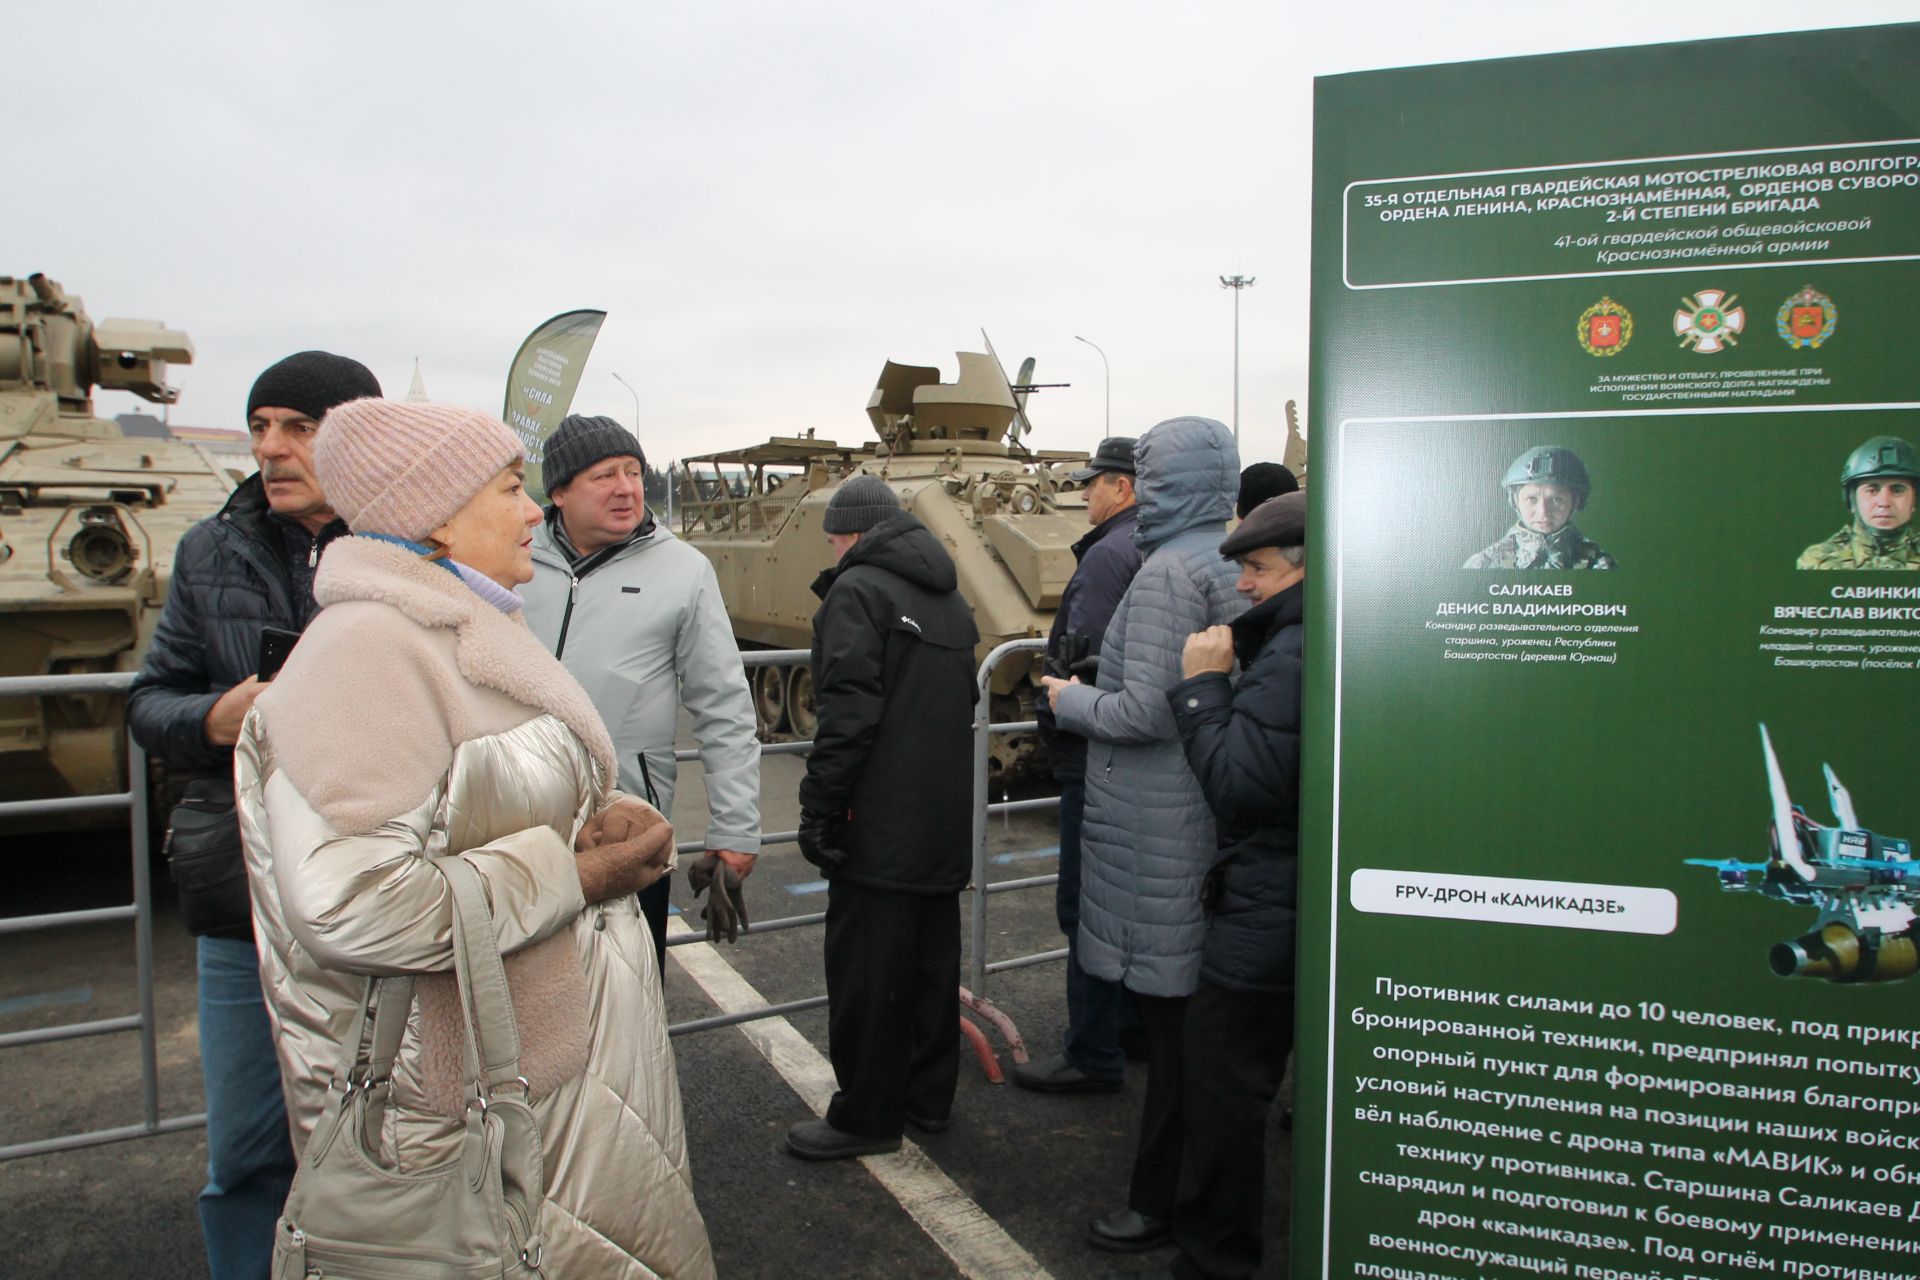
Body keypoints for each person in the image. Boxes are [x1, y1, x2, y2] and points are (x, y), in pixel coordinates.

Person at [233, 398, 714, 1277]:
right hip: (471, 1105)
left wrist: (596, 813)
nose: (533, 509)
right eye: (508, 489)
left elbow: (475, 803)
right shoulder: (369, 650)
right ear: (437, 517)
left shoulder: (458, 625)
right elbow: (349, 903)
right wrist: (575, 872)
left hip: (542, 1070)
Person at [127, 349, 379, 1280]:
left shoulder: (412, 544)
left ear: (352, 435)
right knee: (246, 1154)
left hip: (380, 896)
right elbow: (150, 702)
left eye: (298, 427)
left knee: (389, 1140)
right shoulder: (208, 550)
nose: (271, 449)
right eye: (260, 426)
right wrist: (210, 718)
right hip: (244, 902)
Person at [1041, 416, 1246, 1254]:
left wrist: (1066, 698)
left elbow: (1148, 712)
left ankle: (1162, 1202)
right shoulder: (1226, 555)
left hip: (1160, 826)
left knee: (1173, 1040)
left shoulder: (1167, 571)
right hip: (1203, 813)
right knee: (1190, 1034)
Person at [1116, 492, 1306, 1280]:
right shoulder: (1299, 641)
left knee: (1222, 1085)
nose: (1247, 589)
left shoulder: (1293, 652)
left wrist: (1202, 687)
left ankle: (1212, 1258)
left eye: (1259, 570)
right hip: (1290, 894)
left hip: (1268, 904)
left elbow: (1242, 786)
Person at [787, 476, 980, 1160]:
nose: (834, 550)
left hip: (877, 821)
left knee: (868, 976)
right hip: (940, 821)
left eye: (835, 538)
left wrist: (818, 811)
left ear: (855, 534)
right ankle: (928, 1101)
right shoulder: (949, 594)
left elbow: (847, 716)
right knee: (930, 968)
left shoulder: (857, 591)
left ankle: (866, 1116)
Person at [521, 414, 761, 960]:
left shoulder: (684, 570)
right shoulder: (512, 561)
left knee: (627, 1004)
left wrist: (736, 830)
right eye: (604, 475)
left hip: (627, 829)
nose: (627, 488)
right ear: (558, 491)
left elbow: (723, 705)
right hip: (515, 827)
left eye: (633, 471)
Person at [1016, 437, 1144, 1094]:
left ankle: (1091, 1052)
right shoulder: (1150, 547)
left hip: (1091, 757)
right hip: (1133, 760)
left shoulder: (1106, 558)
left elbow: (1084, 658)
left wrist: (1056, 696)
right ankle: (1128, 1032)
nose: (1084, 492)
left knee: (1085, 904)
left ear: (1121, 487)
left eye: (1094, 483)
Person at [1463, 446, 1616, 569]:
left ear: (1575, 502)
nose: (1543, 513)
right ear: (1516, 501)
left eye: (1556, 499)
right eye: (1532, 499)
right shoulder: (1484, 564)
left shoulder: (1601, 565)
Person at [1797, 434, 1920, 569]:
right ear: (1852, 498)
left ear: (1915, 499)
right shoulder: (1818, 562)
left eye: (1897, 490)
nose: (1884, 502)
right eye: (1872, 490)